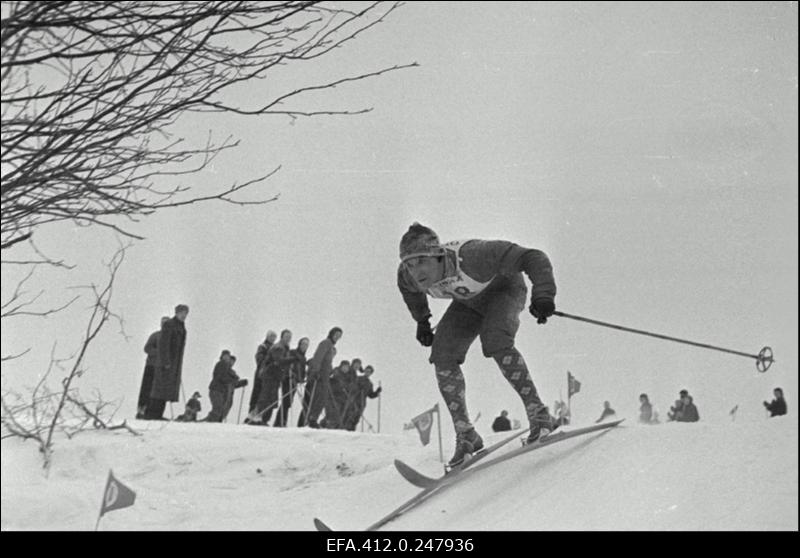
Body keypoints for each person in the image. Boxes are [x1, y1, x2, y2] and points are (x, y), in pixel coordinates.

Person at [397, 223, 557, 467]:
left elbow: (533, 257)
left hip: (504, 289)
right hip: (468, 303)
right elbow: (410, 292)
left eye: (421, 262)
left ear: (438, 255)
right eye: (409, 264)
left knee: (496, 340)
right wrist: (422, 320)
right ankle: (466, 433)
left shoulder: (473, 256)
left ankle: (539, 414)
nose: (415, 271)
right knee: (442, 353)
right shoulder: (408, 277)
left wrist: (543, 294)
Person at [146, 304, 189, 420]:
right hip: (166, 364)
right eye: (182, 312)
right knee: (159, 389)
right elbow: (164, 345)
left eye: (186, 313)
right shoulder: (169, 325)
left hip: (174, 364)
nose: (184, 315)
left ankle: (158, 414)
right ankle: (152, 414)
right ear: (177, 313)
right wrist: (165, 362)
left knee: (165, 390)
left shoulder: (181, 327)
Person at [252, 329, 296, 425]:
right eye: (286, 337)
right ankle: (255, 417)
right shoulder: (278, 347)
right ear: (282, 337)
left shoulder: (284, 348)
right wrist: (292, 359)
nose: (288, 339)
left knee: (271, 397)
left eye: (289, 337)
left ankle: (261, 418)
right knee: (266, 396)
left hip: (275, 375)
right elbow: (279, 360)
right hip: (270, 374)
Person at [301, 327, 342, 428]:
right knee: (319, 398)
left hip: (325, 377)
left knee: (322, 398)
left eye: (339, 336)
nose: (337, 337)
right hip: (319, 376)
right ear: (331, 334)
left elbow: (327, 363)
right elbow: (318, 357)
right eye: (336, 334)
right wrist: (315, 371)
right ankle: (311, 419)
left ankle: (313, 418)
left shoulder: (331, 346)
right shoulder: (326, 343)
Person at [137, 316, 169, 418]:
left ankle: (157, 413)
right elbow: (147, 348)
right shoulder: (155, 336)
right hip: (152, 366)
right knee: (147, 389)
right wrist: (158, 353)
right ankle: (142, 411)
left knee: (161, 391)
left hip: (164, 368)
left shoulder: (171, 339)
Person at [275, 337, 309, 427]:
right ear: (299, 344)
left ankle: (281, 422)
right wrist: (290, 372)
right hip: (288, 379)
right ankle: (280, 422)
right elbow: (287, 362)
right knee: (286, 401)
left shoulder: (303, 358)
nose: (304, 346)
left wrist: (302, 377)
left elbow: (302, 370)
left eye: (306, 345)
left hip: (295, 381)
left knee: (288, 402)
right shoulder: (293, 353)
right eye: (303, 344)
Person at [248, 331, 277, 417]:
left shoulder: (274, 348)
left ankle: (261, 415)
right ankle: (252, 414)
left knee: (266, 395)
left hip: (270, 375)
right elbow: (259, 359)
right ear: (267, 337)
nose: (273, 339)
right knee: (257, 393)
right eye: (271, 336)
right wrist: (269, 362)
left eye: (274, 337)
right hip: (261, 373)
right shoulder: (263, 347)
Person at [346, 365, 382, 431]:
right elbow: (351, 387)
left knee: (356, 418)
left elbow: (370, 395)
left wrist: (377, 392)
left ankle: (352, 430)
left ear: (371, 374)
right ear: (364, 371)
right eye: (366, 371)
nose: (367, 373)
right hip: (354, 400)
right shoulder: (358, 378)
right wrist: (358, 388)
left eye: (369, 372)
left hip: (362, 403)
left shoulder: (369, 384)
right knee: (350, 416)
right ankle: (345, 429)